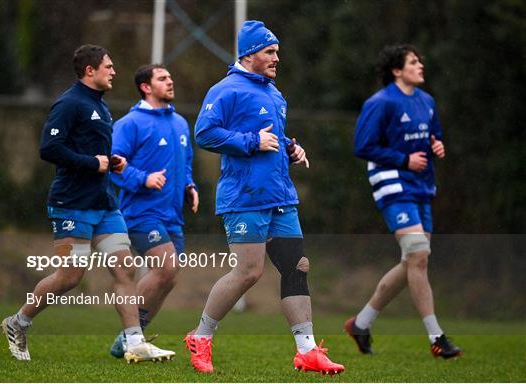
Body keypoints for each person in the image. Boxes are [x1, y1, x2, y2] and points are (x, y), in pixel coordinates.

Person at [184, 20, 345, 375]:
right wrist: (252, 143)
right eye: (270, 52)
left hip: (280, 195)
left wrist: (291, 147)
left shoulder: (274, 93)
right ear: (249, 54)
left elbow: (275, 135)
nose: (276, 59)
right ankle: (201, 336)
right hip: (245, 195)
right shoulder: (226, 89)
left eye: (277, 52)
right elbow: (205, 133)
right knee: (248, 272)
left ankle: (307, 350)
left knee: (297, 266)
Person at [1, 45, 173, 363]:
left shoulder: (100, 105)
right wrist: (93, 163)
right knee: (70, 276)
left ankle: (134, 341)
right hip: (72, 205)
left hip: (104, 205)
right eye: (108, 66)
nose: (114, 71)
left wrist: (112, 162)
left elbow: (94, 153)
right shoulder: (70, 103)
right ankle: (18, 322)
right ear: (90, 70)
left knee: (125, 268)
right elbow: (49, 148)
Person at [347, 44, 462, 359]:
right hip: (391, 183)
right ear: (397, 70)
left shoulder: (427, 102)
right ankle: (437, 337)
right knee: (418, 254)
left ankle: (361, 323)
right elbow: (362, 146)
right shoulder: (381, 102)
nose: (420, 65)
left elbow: (433, 137)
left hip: (421, 185)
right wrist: (403, 159)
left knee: (413, 260)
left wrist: (437, 146)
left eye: (420, 60)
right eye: (414, 62)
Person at [108, 64, 198, 358]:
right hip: (140, 213)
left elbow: (185, 164)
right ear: (145, 87)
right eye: (162, 78)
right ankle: (131, 335)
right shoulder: (130, 123)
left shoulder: (181, 123)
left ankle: (131, 338)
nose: (170, 82)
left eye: (170, 77)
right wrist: (142, 179)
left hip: (172, 215)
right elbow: (112, 165)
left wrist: (189, 187)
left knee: (169, 277)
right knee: (166, 267)